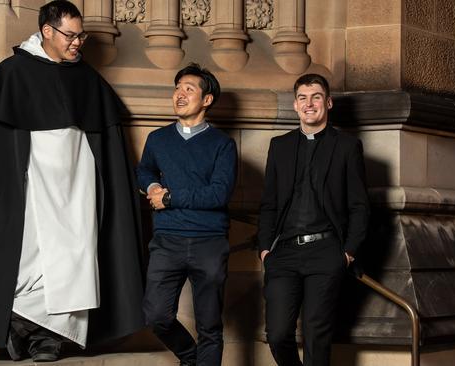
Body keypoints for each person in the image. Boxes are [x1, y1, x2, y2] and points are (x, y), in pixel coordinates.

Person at [0, 1, 145, 362]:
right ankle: (24, 328)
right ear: (47, 31)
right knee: (29, 258)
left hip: (77, 185)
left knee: (77, 257)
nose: (77, 43)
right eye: (70, 35)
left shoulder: (87, 79)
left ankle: (47, 337)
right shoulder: (9, 75)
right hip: (32, 184)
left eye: (81, 35)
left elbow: (105, 142)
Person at [257, 73, 370, 366]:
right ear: (295, 105)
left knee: (316, 337)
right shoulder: (279, 146)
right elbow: (268, 204)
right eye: (303, 98)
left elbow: (360, 205)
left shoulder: (346, 146)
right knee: (278, 333)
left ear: (328, 103)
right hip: (283, 253)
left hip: (326, 251)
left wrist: (347, 253)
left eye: (316, 97)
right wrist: (265, 250)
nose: (309, 104)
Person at [136, 63, 237, 366]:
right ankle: (190, 357)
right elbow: (144, 170)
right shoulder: (158, 139)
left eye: (189, 89)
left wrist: (170, 197)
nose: (180, 94)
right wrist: (153, 185)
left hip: (209, 242)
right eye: (177, 88)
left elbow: (218, 194)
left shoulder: (223, 145)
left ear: (206, 100)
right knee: (156, 315)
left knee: (209, 325)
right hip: (167, 241)